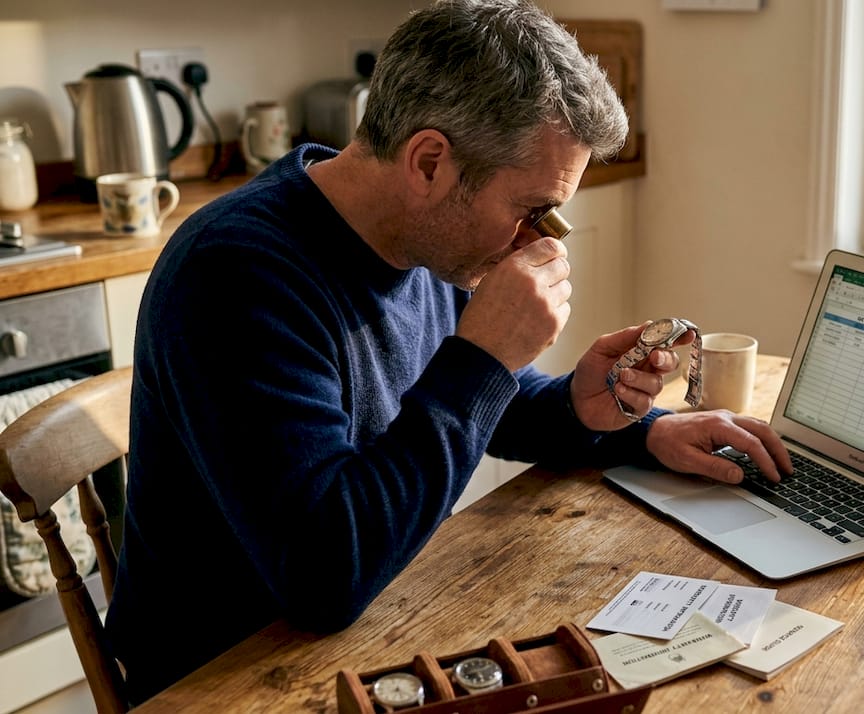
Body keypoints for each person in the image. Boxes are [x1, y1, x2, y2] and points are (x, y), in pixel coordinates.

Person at [105, 0, 790, 704]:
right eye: (529, 209)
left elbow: (480, 402)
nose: (538, 241)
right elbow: (324, 573)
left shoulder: (416, 237)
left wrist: (614, 419)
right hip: (227, 676)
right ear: (430, 161)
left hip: (375, 624)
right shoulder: (238, 274)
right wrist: (485, 356)